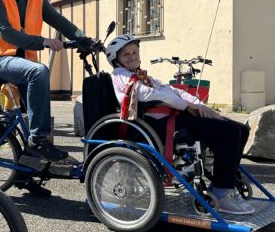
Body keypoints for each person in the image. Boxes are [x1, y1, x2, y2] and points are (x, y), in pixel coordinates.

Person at [105, 34, 254, 215]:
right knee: (229, 131)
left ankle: (223, 183)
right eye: (126, 55)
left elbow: (171, 90)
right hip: (155, 126)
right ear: (117, 60)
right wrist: (186, 105)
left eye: (134, 52)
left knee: (240, 129)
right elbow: (147, 95)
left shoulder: (141, 75)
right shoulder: (121, 75)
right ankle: (222, 194)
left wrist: (199, 106)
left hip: (171, 119)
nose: (132, 56)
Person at [0, 0, 86, 165]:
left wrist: (85, 38)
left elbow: (60, 21)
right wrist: (44, 42)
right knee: (39, 72)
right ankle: (39, 139)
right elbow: (6, 33)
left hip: (23, 62)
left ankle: (26, 175)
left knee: (28, 113)